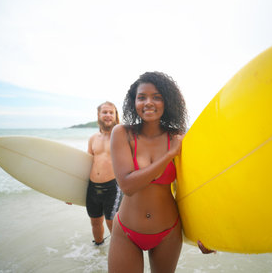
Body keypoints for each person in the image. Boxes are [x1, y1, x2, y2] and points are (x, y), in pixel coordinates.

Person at [108, 72, 213, 273]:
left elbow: (195, 188)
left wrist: (207, 232)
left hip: (169, 232)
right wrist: (169, 154)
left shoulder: (179, 138)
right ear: (134, 102)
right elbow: (128, 186)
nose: (148, 102)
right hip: (127, 231)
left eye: (157, 97)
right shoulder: (122, 133)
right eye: (142, 97)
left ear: (167, 102)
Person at [86, 101, 123, 246]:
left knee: (112, 224)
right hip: (93, 188)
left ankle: (119, 256)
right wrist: (70, 192)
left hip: (113, 187)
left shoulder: (121, 136)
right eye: (105, 112)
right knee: (95, 222)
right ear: (99, 115)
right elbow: (86, 164)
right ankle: (97, 253)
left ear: (115, 116)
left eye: (111, 112)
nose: (108, 115)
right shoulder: (93, 139)